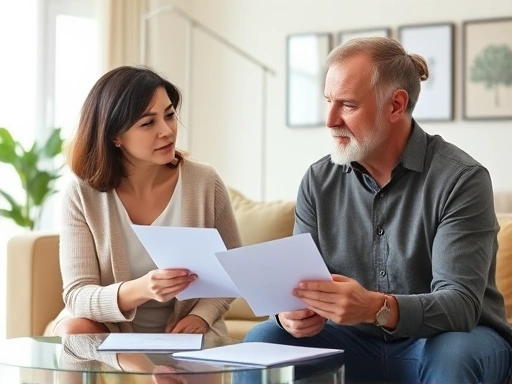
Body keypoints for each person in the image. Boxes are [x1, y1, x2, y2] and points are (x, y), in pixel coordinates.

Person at [244, 37, 512, 383]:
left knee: (452, 355)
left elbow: (459, 306)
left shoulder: (461, 179)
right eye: (328, 101)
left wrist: (374, 307)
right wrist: (289, 314)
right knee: (263, 341)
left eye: (348, 105)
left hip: (452, 340)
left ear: (395, 105)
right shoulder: (318, 180)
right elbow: (299, 284)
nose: (329, 119)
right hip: (353, 341)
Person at [53, 66, 241, 338]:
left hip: (186, 329)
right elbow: (77, 295)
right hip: (110, 329)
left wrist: (201, 317)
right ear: (115, 136)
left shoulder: (204, 182)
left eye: (169, 115)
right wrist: (143, 289)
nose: (166, 131)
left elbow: (232, 268)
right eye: (148, 123)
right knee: (74, 329)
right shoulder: (82, 194)